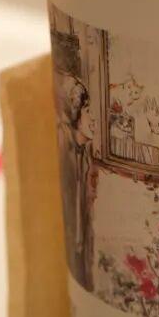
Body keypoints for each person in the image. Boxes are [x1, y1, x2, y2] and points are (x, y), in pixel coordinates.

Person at [56, 76, 96, 291]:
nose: (95, 119)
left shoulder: (86, 153)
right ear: (76, 112)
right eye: (89, 110)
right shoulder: (63, 143)